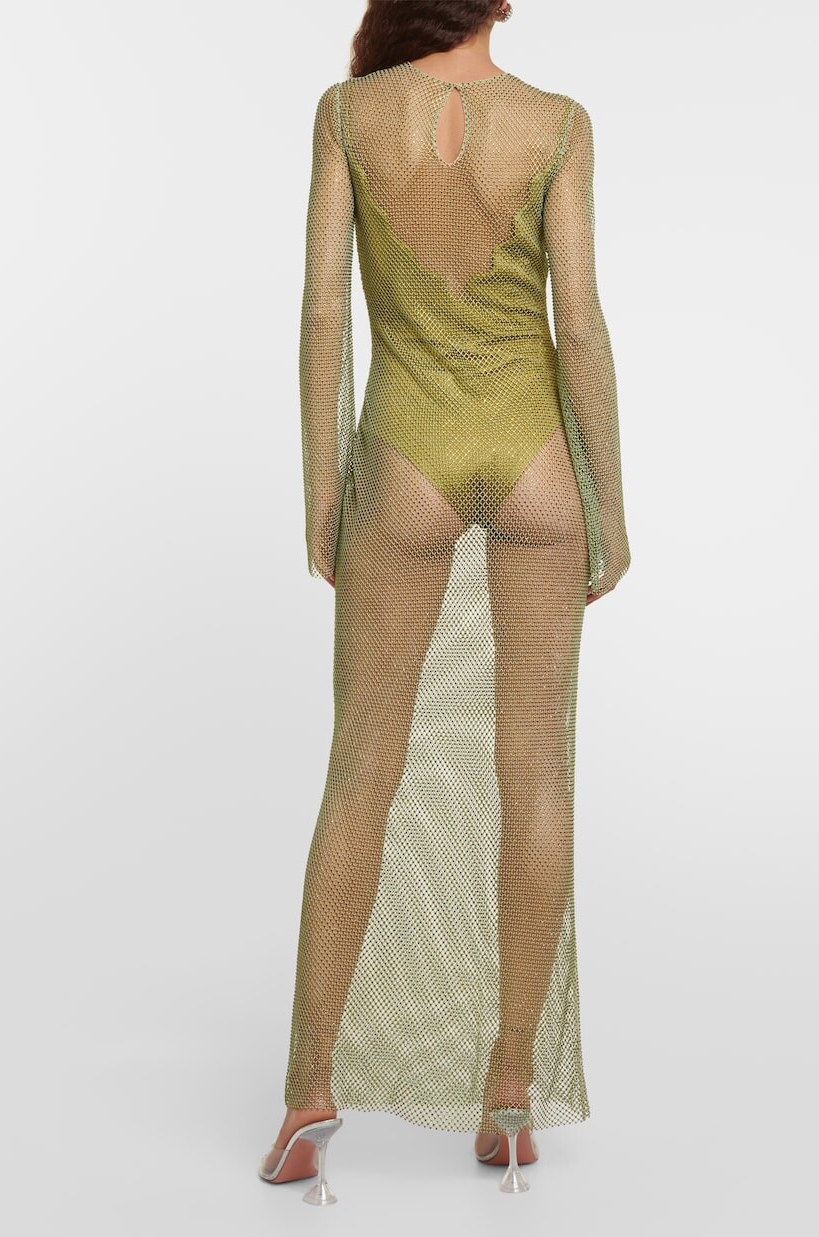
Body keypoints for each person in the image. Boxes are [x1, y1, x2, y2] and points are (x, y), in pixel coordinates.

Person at [258, 0, 630, 1203]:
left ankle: (308, 1095)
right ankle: (508, 1095)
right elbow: (579, 324)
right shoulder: (555, 124)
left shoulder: (349, 116)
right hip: (536, 464)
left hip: (402, 462)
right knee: (536, 776)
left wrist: (324, 490)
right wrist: (608, 503)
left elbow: (324, 311)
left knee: (360, 772)